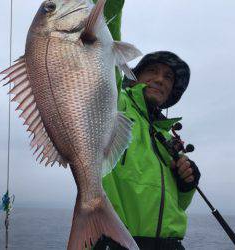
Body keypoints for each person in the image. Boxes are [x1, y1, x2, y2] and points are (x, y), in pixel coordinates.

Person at [93, 50, 201, 250]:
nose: (160, 80)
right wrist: (102, 21)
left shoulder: (168, 139)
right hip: (117, 241)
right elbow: (103, 62)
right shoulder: (116, 105)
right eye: (152, 71)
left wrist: (187, 184)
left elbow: (177, 205)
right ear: (133, 79)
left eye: (168, 77)